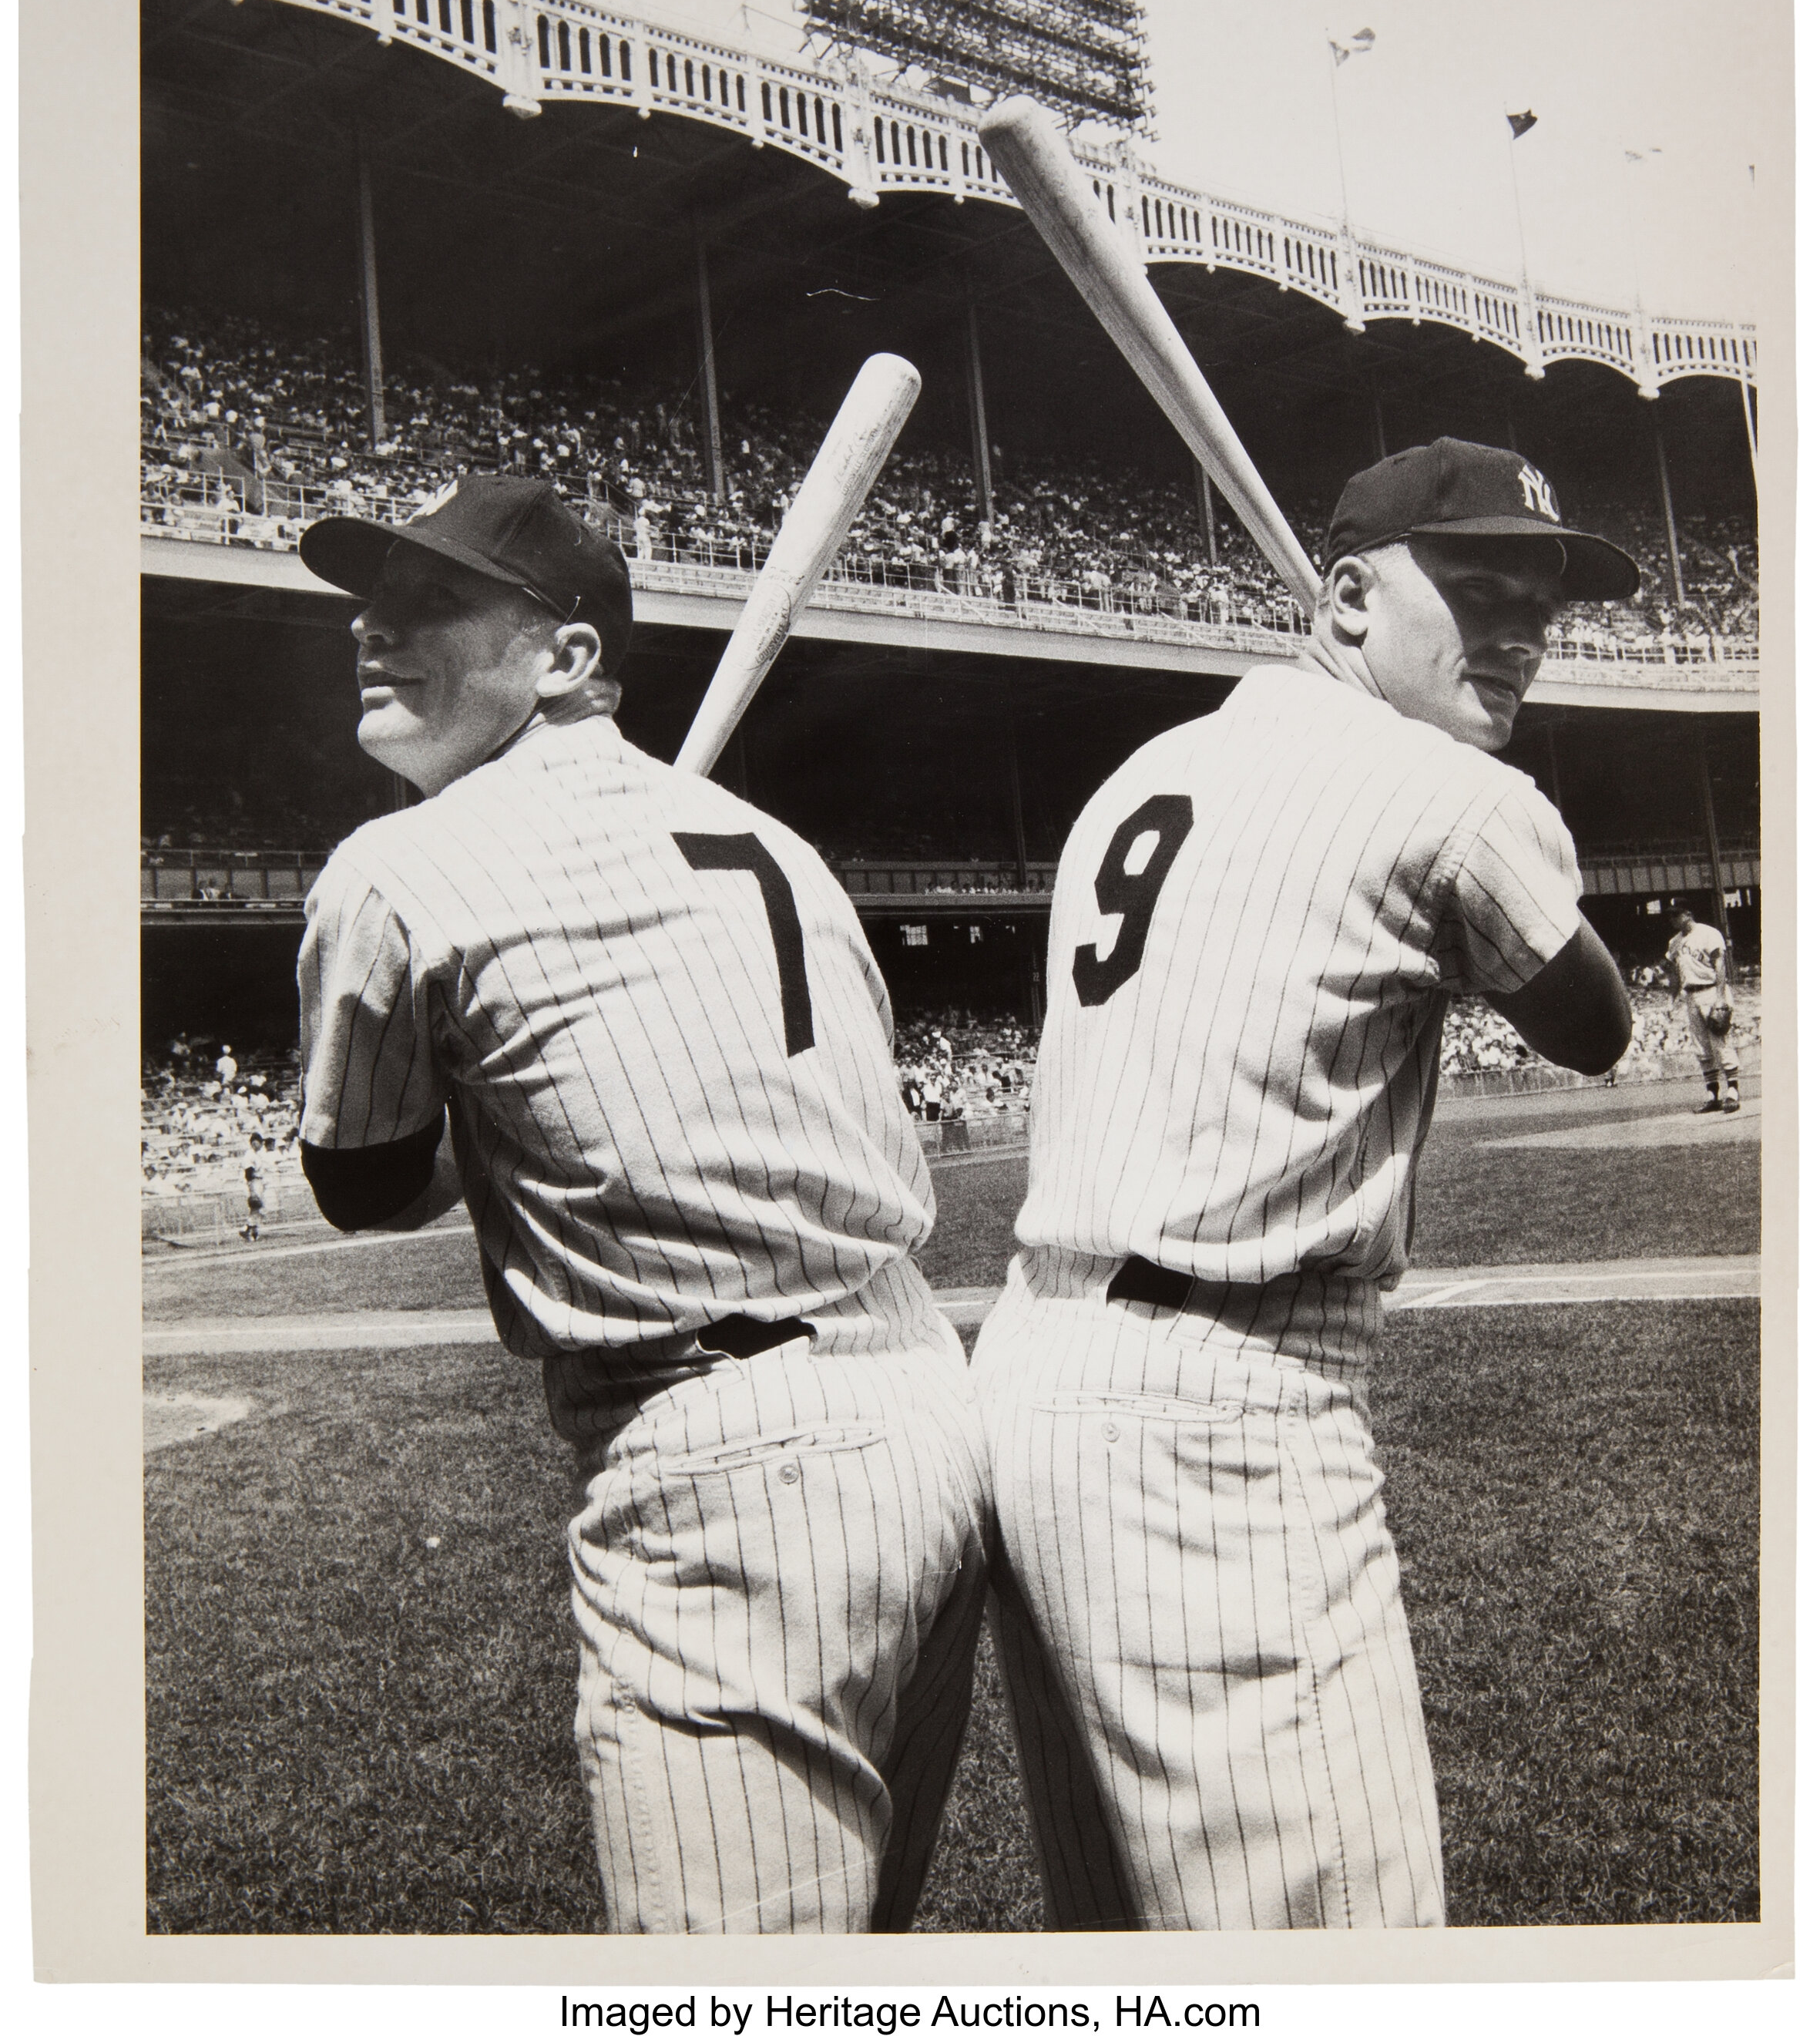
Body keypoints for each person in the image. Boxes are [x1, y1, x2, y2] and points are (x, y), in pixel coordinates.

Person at [291, 475, 987, 1934]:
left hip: (722, 1467)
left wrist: (474, 1123)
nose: (372, 627)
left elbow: (362, 1188)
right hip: (933, 1411)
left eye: (427, 603)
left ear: (566, 659)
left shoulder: (397, 865)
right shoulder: (772, 845)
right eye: (370, 599)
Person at [973, 437, 1638, 1932]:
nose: (1519, 628)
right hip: (1224, 1416)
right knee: (1342, 1962)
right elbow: (1589, 1023)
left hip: (1031, 1379)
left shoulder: (1143, 775)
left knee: (1137, 1955)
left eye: (1539, 598)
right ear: (1338, 600)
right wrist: (1485, 804)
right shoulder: (1450, 795)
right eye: (1473, 585)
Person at [1663, 904, 1741, 1111]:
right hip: (1691, 996)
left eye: (1677, 915)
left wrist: (1720, 998)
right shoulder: (1674, 943)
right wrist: (1672, 1001)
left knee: (1720, 1042)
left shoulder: (1708, 933)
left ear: (1688, 914)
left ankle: (1733, 1092)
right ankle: (1713, 1095)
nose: (1673, 919)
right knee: (1701, 1047)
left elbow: (1720, 966)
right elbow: (1674, 975)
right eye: (1671, 916)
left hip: (1711, 991)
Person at [239, 1130, 268, 1242]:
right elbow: (249, 1174)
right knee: (257, 1208)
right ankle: (246, 1228)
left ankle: (254, 1233)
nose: (261, 1144)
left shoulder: (256, 1154)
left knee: (256, 1209)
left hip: (258, 1182)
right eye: (259, 1142)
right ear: (254, 1143)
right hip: (253, 1183)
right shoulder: (249, 1155)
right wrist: (252, 1191)